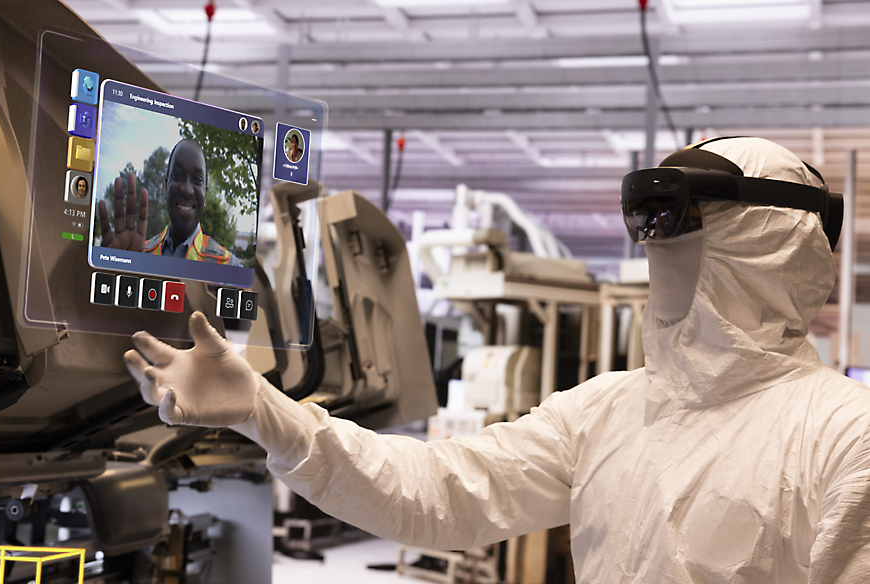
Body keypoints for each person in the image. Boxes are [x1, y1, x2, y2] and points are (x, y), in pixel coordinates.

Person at [123, 137, 870, 582]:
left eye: (682, 250)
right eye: (654, 250)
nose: (658, 273)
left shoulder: (840, 434)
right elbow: (436, 492)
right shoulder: (609, 409)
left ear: (763, 260)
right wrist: (266, 412)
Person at [98, 139, 235, 264]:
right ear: (166, 187)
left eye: (197, 179)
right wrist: (119, 267)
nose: (187, 190)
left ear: (205, 194)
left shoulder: (230, 266)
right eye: (178, 175)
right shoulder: (139, 254)